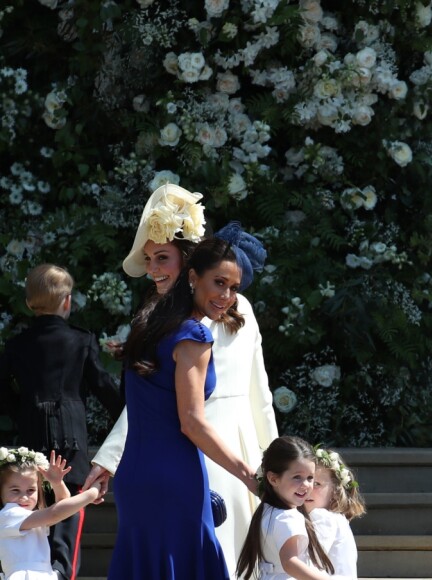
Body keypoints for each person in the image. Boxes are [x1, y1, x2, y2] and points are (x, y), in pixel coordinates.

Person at [83, 183, 278, 576]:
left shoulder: (206, 311)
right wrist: (109, 457)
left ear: (188, 263)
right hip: (193, 450)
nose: (153, 269)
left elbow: (259, 394)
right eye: (150, 258)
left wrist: (272, 460)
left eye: (162, 258)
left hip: (219, 446)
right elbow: (161, 403)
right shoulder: (167, 320)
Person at [106, 227, 261, 579]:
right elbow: (192, 422)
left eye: (234, 288)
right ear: (193, 277)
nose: (226, 296)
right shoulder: (194, 335)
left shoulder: (151, 325)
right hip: (174, 477)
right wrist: (250, 475)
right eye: (219, 283)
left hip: (135, 475)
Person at [0, 264, 123, 580]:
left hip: (30, 445)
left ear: (30, 303)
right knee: (67, 532)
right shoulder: (81, 340)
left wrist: (24, 414)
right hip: (72, 447)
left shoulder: (17, 345)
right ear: (67, 301)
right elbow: (104, 390)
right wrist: (130, 417)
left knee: (29, 523)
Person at [236, 436, 336, 580]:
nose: (306, 485)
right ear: (273, 479)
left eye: (310, 477)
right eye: (297, 477)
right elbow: (290, 562)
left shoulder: (267, 509)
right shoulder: (288, 517)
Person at [0, 448, 104, 580]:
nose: (24, 497)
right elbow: (56, 513)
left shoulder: (31, 517)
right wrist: (92, 493)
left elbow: (63, 505)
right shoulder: (8, 515)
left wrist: (57, 483)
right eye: (15, 490)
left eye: (31, 490)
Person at [304, 447, 366, 578]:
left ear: (335, 491)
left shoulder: (323, 517)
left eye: (317, 484)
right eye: (306, 481)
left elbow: (308, 562)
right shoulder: (335, 518)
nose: (308, 488)